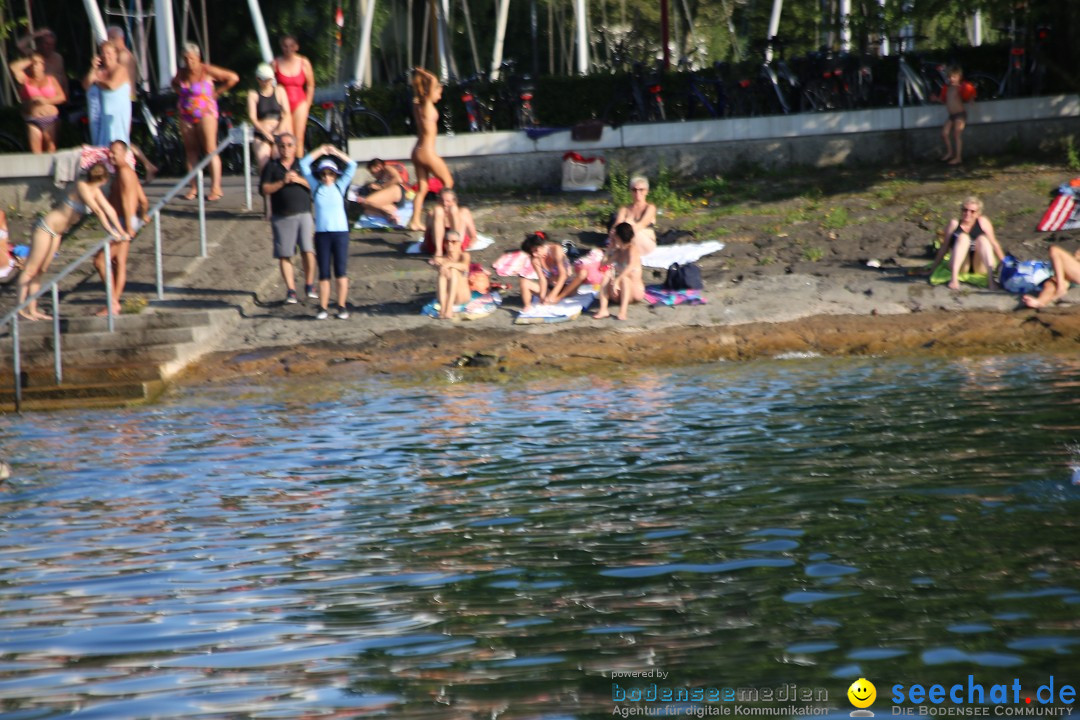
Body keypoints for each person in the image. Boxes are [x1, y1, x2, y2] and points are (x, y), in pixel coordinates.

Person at [17, 163, 128, 321]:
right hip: (45, 228)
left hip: (57, 233)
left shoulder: (95, 191)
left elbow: (108, 210)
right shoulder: (81, 186)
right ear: (104, 179)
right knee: (30, 269)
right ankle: (20, 308)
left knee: (42, 270)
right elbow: (97, 210)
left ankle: (32, 309)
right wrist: (111, 231)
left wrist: (121, 231)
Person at [171, 42, 239, 202]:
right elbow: (174, 83)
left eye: (192, 59)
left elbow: (233, 78)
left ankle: (216, 187)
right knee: (191, 151)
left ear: (198, 57)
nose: (189, 62)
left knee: (210, 149)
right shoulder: (182, 73)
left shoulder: (207, 70)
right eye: (186, 59)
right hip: (186, 113)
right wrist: (180, 93)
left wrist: (217, 93)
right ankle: (193, 187)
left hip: (206, 112)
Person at [299, 144, 357, 320]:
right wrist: (320, 151)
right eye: (323, 174)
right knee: (324, 272)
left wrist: (335, 152)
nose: (327, 177)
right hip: (322, 234)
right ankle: (323, 307)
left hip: (340, 233)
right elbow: (303, 164)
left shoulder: (340, 185)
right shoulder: (316, 187)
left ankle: (341, 306)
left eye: (330, 173)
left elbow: (353, 165)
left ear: (335, 174)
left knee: (340, 271)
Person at [93, 140, 148, 316]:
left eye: (115, 152)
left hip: (124, 224)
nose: (111, 155)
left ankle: (113, 303)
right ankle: (114, 304)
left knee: (100, 261)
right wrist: (143, 215)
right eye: (110, 152)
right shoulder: (127, 172)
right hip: (127, 222)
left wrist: (129, 228)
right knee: (119, 263)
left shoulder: (124, 173)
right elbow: (143, 200)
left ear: (125, 154)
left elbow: (126, 200)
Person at [260, 133, 317, 304]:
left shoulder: (303, 164)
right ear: (277, 147)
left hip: (304, 212)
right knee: (285, 254)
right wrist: (282, 182)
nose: (286, 149)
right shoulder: (271, 166)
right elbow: (264, 190)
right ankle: (291, 290)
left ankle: (309, 285)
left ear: (295, 146)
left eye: (289, 145)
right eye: (282, 145)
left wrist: (298, 179)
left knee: (308, 250)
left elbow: (316, 186)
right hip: (282, 216)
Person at [106, 25, 159, 180]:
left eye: (110, 39)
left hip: (125, 101)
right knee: (123, 139)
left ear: (118, 39)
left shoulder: (123, 56)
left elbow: (116, 78)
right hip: (126, 100)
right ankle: (146, 165)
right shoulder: (125, 55)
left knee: (122, 139)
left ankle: (144, 165)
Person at [408, 67, 454, 231]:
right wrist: (422, 72)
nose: (439, 96)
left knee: (422, 188)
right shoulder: (426, 104)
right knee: (448, 182)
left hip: (416, 151)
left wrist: (419, 78)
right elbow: (433, 80)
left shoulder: (416, 104)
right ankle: (443, 216)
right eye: (438, 93)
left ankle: (414, 221)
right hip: (427, 151)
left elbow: (423, 88)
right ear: (430, 92)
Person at [930, 196, 1005, 291]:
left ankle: (990, 281)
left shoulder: (983, 222)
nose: (967, 214)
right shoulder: (954, 224)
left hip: (978, 265)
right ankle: (954, 279)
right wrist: (933, 268)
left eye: (972, 211)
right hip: (961, 265)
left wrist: (1005, 265)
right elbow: (944, 247)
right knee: (963, 237)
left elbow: (994, 244)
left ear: (978, 213)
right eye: (965, 210)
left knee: (983, 239)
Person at [9, 53, 65, 153]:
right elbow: (13, 67)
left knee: (50, 149)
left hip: (50, 118)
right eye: (32, 65)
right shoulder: (25, 80)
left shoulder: (51, 79)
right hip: (33, 119)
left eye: (37, 64)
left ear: (43, 65)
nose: (34, 67)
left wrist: (46, 100)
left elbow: (62, 97)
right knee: (36, 152)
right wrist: (31, 59)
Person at [519, 231, 589, 311]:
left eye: (536, 250)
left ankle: (559, 298)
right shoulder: (535, 259)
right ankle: (527, 305)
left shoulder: (556, 249)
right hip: (550, 287)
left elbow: (563, 275)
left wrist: (555, 296)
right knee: (524, 282)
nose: (534, 254)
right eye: (531, 253)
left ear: (542, 245)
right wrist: (542, 297)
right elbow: (542, 279)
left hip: (566, 287)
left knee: (583, 273)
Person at [84, 40, 131, 148]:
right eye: (103, 53)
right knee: (100, 144)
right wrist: (93, 68)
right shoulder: (100, 71)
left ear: (115, 54)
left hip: (117, 116)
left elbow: (112, 86)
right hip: (102, 116)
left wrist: (97, 81)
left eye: (109, 53)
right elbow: (86, 85)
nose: (106, 56)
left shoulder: (121, 69)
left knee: (117, 143)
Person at [593, 222, 645, 321]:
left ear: (618, 236)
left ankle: (623, 312)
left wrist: (617, 280)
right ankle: (603, 309)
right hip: (620, 293)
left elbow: (630, 266)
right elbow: (602, 265)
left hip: (634, 291)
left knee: (624, 278)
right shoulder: (618, 252)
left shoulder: (632, 249)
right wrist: (609, 249)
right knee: (607, 274)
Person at [247, 63, 293, 173]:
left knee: (281, 163)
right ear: (258, 79)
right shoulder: (253, 94)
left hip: (279, 133)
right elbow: (252, 117)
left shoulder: (279, 91)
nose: (267, 82)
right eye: (264, 80)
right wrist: (265, 133)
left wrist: (277, 131)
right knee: (264, 164)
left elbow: (286, 113)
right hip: (262, 134)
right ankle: (265, 186)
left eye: (269, 79)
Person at [273, 35, 314, 155]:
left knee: (299, 138)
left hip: (300, 102)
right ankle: (285, 166)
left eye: (291, 46)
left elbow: (310, 86)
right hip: (284, 104)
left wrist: (307, 104)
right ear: (281, 47)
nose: (288, 49)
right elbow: (269, 85)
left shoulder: (304, 62)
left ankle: (298, 168)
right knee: (286, 138)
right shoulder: (275, 63)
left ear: (296, 47)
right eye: (285, 46)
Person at [610, 175, 658, 256]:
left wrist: (624, 230)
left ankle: (621, 249)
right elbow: (617, 225)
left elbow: (642, 224)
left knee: (628, 225)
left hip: (645, 242)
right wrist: (614, 231)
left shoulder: (650, 208)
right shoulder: (624, 209)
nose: (637, 193)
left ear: (646, 191)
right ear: (631, 191)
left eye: (641, 190)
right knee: (617, 230)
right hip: (626, 240)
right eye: (634, 190)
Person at [423, 188, 477, 257]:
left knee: (455, 210)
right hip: (439, 244)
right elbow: (426, 236)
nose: (445, 204)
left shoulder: (463, 212)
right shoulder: (432, 214)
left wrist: (471, 243)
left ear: (454, 201)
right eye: (442, 201)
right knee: (437, 210)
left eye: (448, 201)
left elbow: (473, 237)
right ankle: (439, 250)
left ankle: (456, 247)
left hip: (458, 242)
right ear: (438, 201)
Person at [357, 158, 409, 226]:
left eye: (373, 172)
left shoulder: (387, 168)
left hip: (397, 190)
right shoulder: (379, 179)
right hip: (393, 201)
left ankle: (388, 213)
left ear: (378, 166)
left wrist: (381, 187)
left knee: (366, 202)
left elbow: (398, 179)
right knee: (367, 210)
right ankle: (392, 216)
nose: (373, 175)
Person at [432, 230, 471, 319]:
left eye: (453, 242)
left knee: (453, 270)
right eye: (447, 241)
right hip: (444, 297)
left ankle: (448, 308)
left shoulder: (464, 255)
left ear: (459, 243)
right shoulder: (440, 259)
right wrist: (443, 267)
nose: (450, 244)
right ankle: (443, 308)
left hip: (461, 295)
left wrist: (449, 264)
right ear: (444, 244)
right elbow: (436, 262)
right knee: (443, 271)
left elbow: (464, 266)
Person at [940, 65, 974, 166]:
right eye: (949, 77)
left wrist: (971, 99)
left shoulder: (960, 87)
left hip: (960, 115)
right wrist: (936, 99)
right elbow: (944, 100)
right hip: (952, 115)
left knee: (957, 134)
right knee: (944, 133)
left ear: (959, 77)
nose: (951, 79)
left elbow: (971, 91)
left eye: (953, 77)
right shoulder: (947, 88)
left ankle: (958, 157)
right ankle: (950, 152)